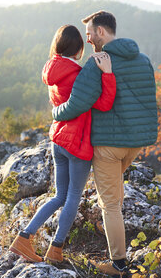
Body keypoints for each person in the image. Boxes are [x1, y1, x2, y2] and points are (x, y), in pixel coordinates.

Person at [52, 11, 158, 278]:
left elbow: (76, 104)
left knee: (109, 204)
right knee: (116, 195)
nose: (87, 41)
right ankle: (118, 244)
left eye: (89, 35)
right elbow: (147, 102)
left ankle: (119, 264)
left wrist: (55, 113)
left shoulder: (96, 63)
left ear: (100, 31)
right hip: (135, 143)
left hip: (108, 145)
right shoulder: (143, 60)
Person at [9, 24, 116, 263]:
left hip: (58, 140)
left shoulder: (51, 70)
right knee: (73, 198)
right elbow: (104, 103)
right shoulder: (79, 75)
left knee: (59, 196)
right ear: (78, 49)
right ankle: (55, 250)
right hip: (77, 143)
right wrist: (107, 74)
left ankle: (24, 238)